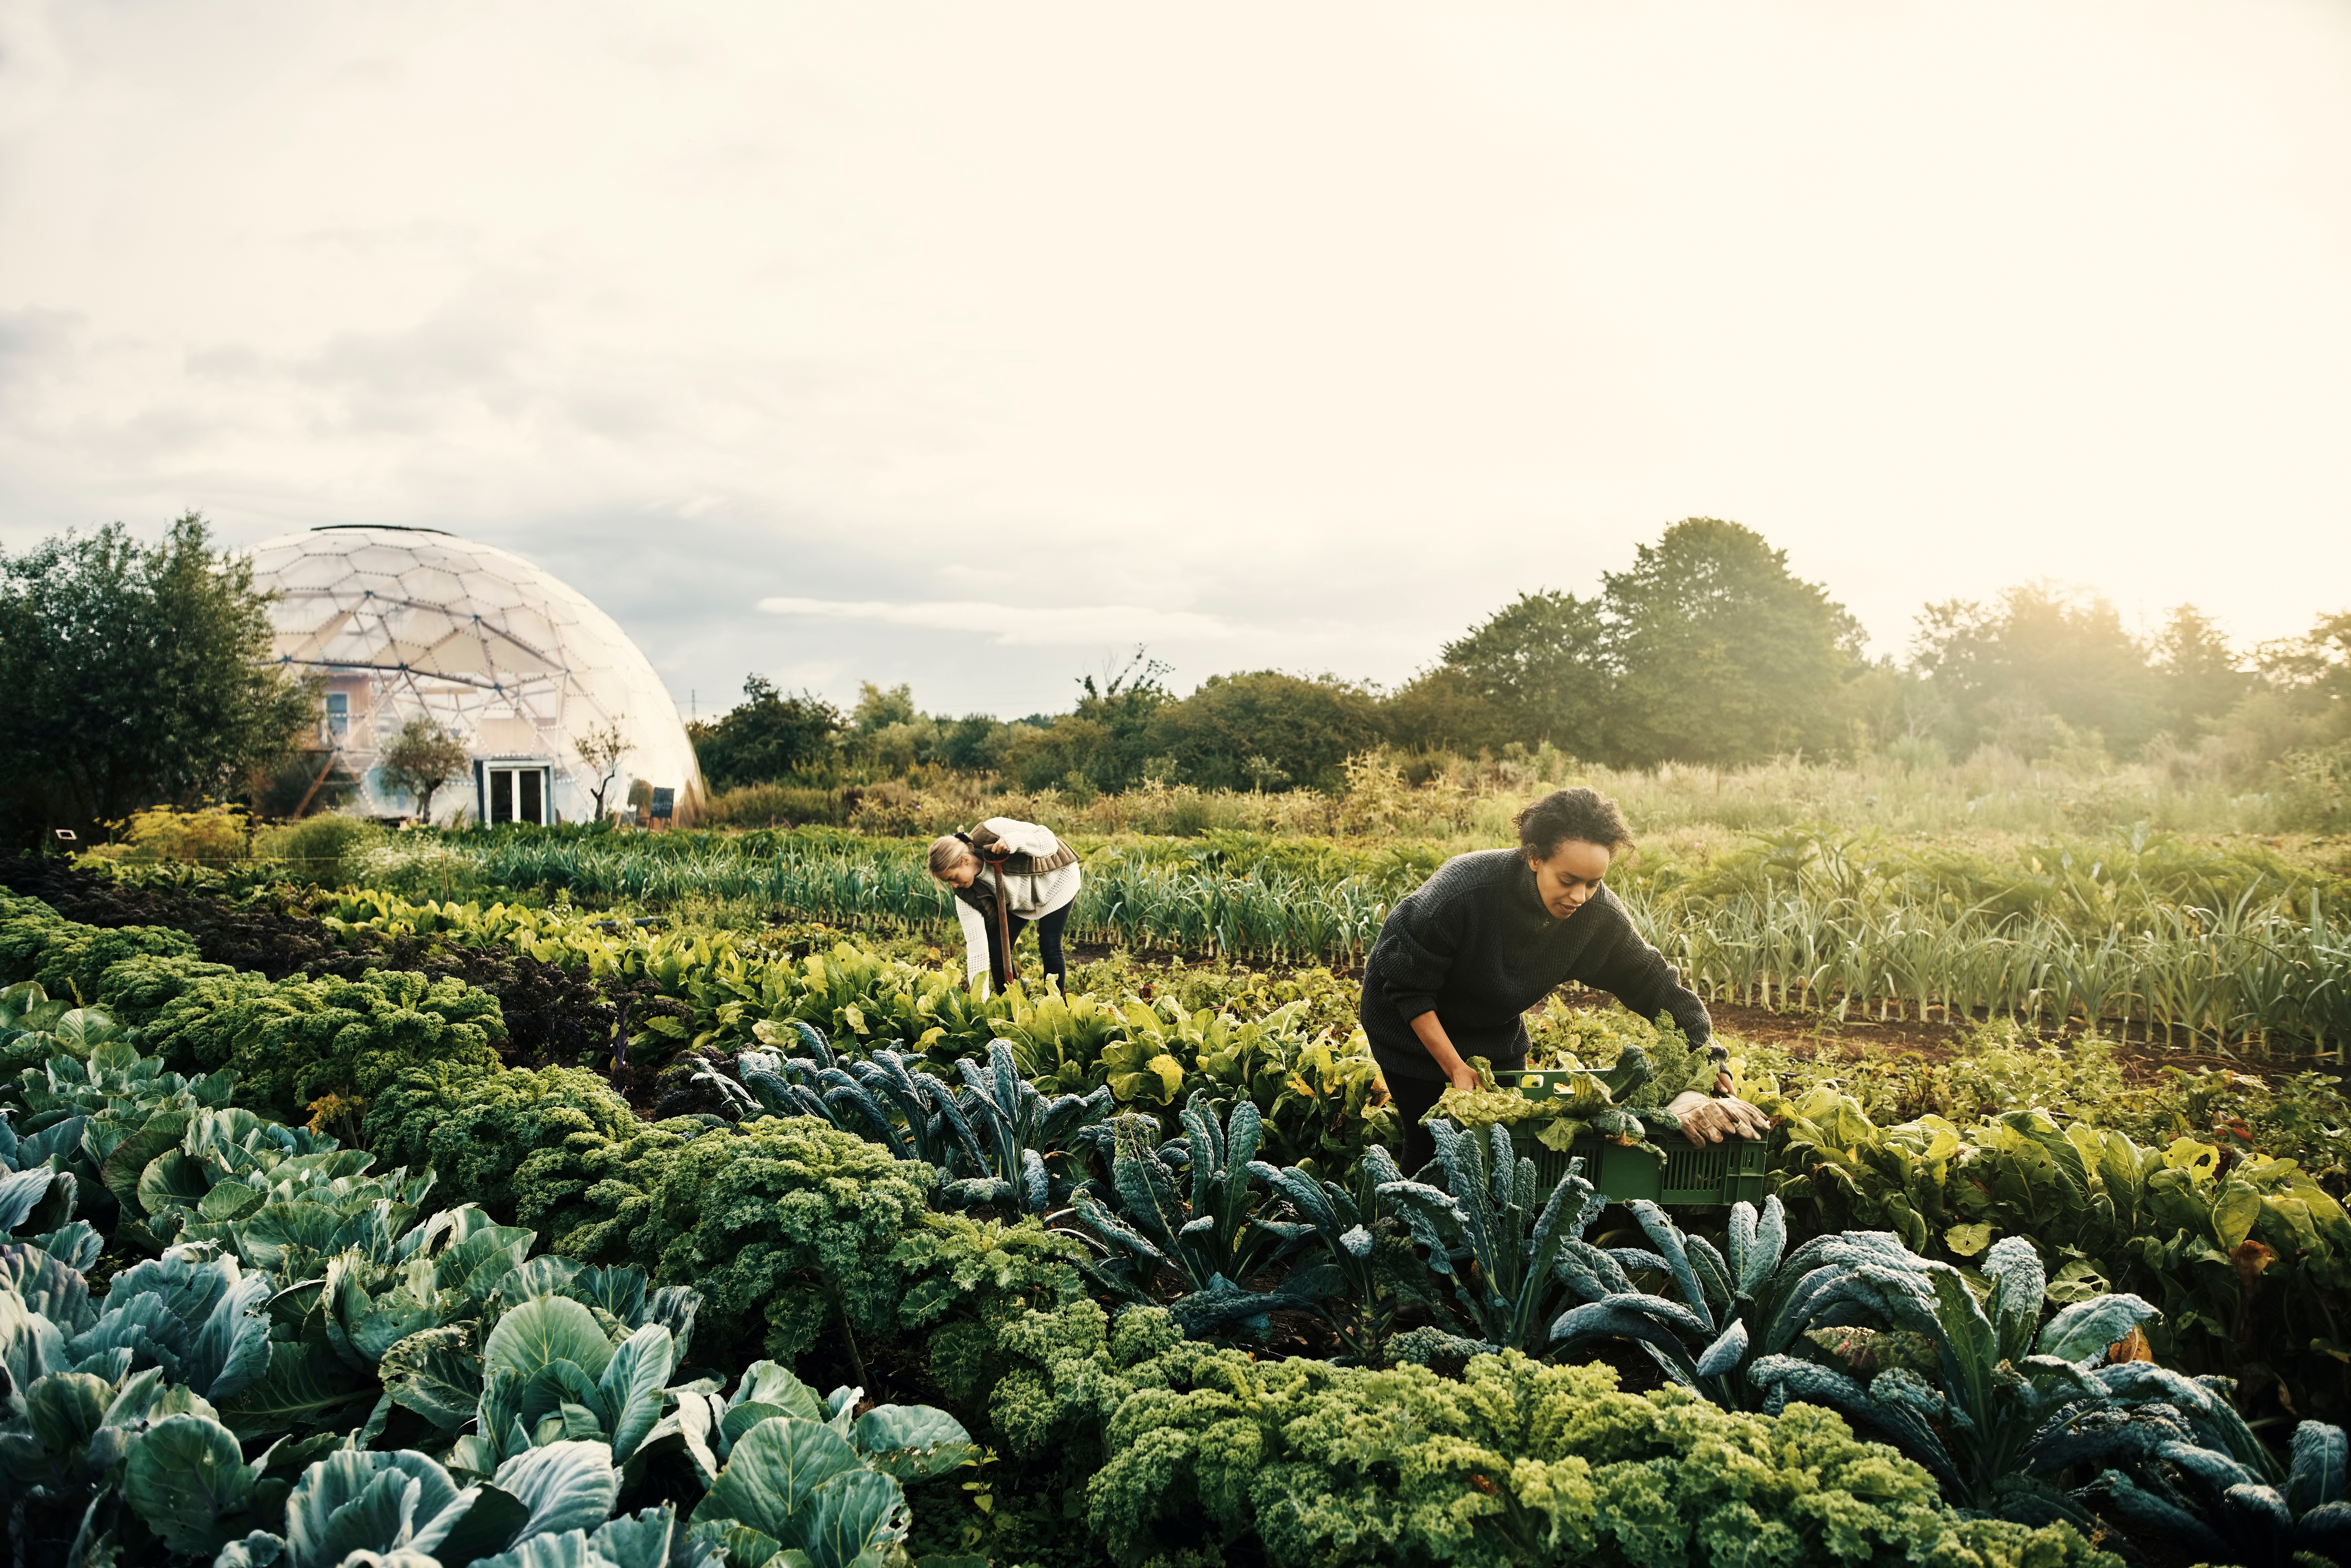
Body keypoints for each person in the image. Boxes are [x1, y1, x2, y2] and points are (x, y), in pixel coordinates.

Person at [1359, 785, 1770, 1173]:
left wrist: (1707, 1054)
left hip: (1492, 1027)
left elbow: (1652, 979)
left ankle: (1487, 1241)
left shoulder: (1596, 916)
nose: (1580, 897)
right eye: (1568, 881)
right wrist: (1454, 1067)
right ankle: (1414, 1232)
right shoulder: (1463, 892)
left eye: (1594, 883)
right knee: (1433, 1142)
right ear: (1535, 857)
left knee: (1505, 1145)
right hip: (1409, 1025)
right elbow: (1410, 988)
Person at [928, 817, 1082, 994]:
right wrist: (979, 1003)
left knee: (1049, 945)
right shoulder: (966, 896)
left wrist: (1014, 841)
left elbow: (1049, 841)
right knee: (997, 948)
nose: (954, 886)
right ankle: (1011, 1003)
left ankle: (1056, 1006)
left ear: (965, 860)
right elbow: (977, 951)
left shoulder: (992, 830)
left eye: (953, 878)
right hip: (1021, 899)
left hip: (1057, 880)